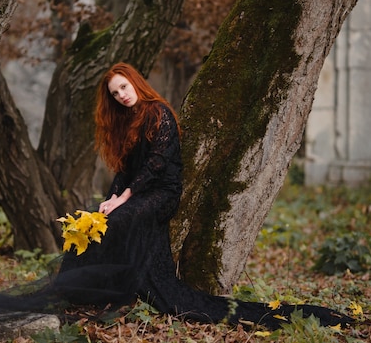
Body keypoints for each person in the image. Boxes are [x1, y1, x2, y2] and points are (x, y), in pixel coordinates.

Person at [53, 62, 353, 330]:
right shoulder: (125, 122)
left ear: (135, 82)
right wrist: (112, 197)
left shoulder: (160, 113)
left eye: (123, 87)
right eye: (115, 93)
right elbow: (123, 169)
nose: (121, 95)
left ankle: (117, 290)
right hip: (137, 192)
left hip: (162, 192)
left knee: (122, 218)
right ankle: (72, 291)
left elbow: (156, 164)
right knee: (91, 220)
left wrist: (124, 199)